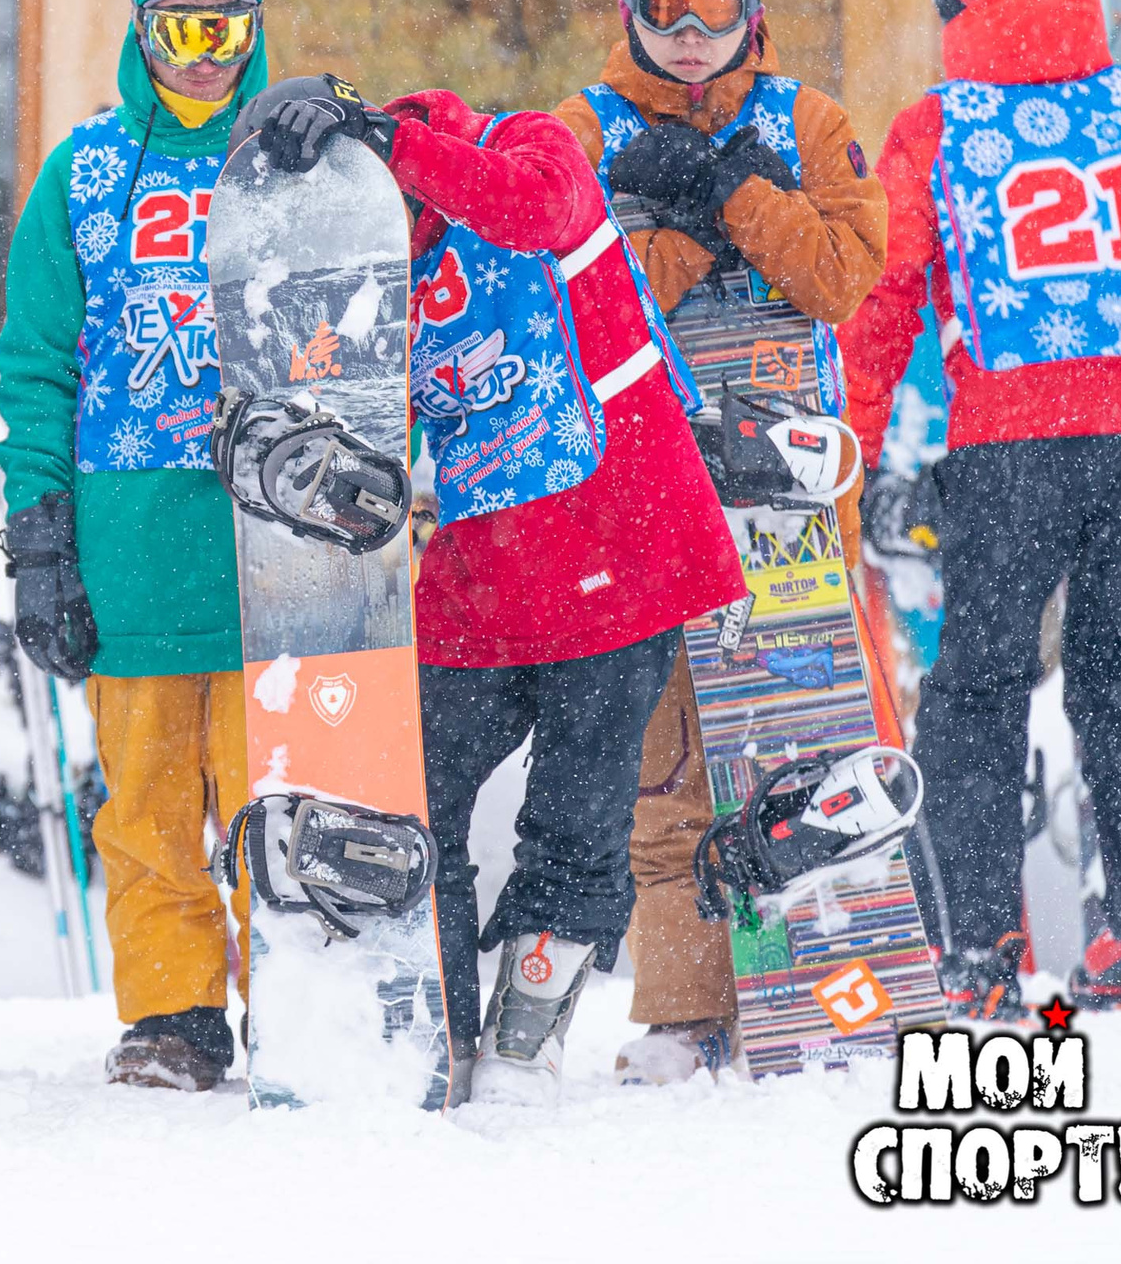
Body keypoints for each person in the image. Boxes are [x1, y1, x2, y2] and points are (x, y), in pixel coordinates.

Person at [242, 75, 747, 1103]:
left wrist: (387, 139)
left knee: (578, 808)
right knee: (411, 790)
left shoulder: (526, 143)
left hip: (621, 527)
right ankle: (438, 1010)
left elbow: (538, 211)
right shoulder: (370, 273)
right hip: (486, 566)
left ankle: (528, 1035)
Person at [840, 0, 1121, 1015]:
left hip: (1015, 432)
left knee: (976, 688)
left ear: (958, 1)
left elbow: (881, 303)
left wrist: (851, 448)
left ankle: (975, 949)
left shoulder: (936, 127)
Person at [549, 0, 889, 1081]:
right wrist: (700, 218)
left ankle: (814, 988)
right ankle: (685, 1005)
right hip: (646, 476)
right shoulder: (582, 131)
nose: (687, 29)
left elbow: (844, 279)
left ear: (753, 13)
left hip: (787, 483)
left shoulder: (810, 121)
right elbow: (577, 305)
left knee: (800, 732)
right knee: (668, 755)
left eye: (713, 4)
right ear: (628, 8)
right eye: (663, 3)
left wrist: (735, 186)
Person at [0, 0, 266, 1091]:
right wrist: (41, 537)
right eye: (180, 31)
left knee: (276, 805)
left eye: (226, 30)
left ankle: (306, 993)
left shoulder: (297, 165)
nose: (203, 57)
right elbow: (37, 362)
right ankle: (174, 1016)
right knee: (146, 806)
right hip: (130, 540)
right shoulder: (87, 170)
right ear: (141, 35)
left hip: (276, 547)